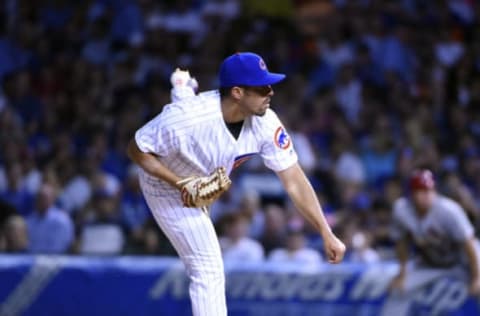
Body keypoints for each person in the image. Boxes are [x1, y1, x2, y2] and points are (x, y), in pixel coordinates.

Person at [126, 52, 346, 316]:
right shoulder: (187, 119)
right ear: (238, 92)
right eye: (262, 87)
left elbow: (294, 180)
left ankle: (184, 90)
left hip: (202, 164)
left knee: (191, 131)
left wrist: (325, 230)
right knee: (208, 267)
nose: (271, 92)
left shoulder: (266, 122)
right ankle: (183, 94)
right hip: (166, 182)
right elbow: (137, 149)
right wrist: (180, 183)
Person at [382, 169, 480, 315]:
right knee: (397, 289)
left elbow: (469, 244)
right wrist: (402, 273)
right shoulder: (402, 209)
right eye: (421, 190)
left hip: (462, 261)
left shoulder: (449, 210)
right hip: (429, 263)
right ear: (411, 194)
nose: (427, 195)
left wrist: (477, 277)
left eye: (429, 190)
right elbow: (402, 242)